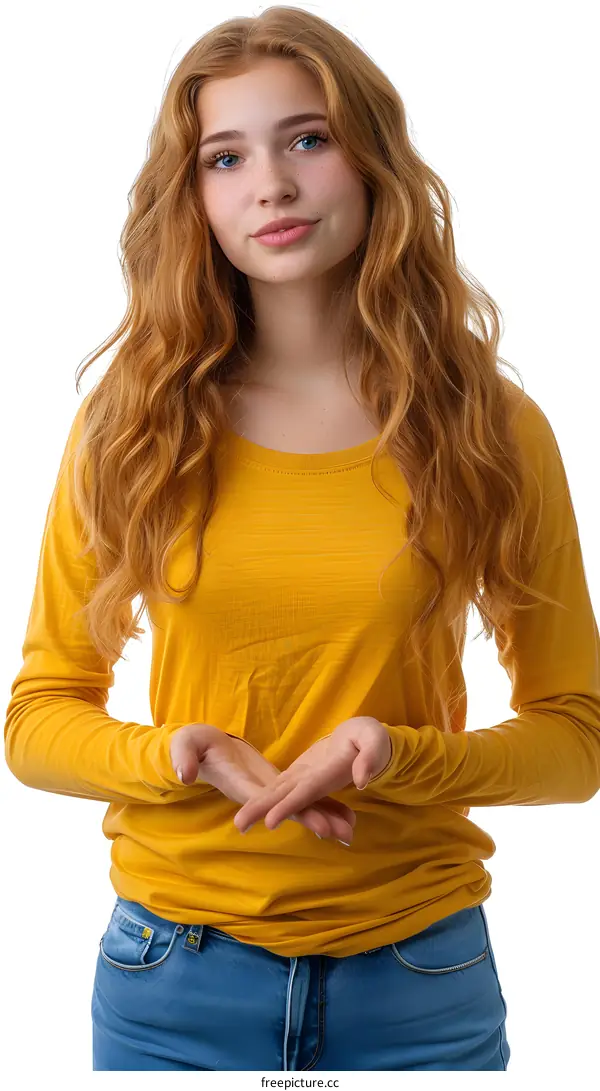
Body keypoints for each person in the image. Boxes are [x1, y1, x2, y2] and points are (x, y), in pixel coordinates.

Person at [4, 5, 600, 1074]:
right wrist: (172, 753)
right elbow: (38, 718)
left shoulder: (490, 426)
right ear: (193, 198)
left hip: (423, 978)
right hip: (169, 974)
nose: (269, 184)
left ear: (371, 156)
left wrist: (403, 755)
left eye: (307, 139)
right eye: (224, 157)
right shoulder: (132, 425)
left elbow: (576, 739)